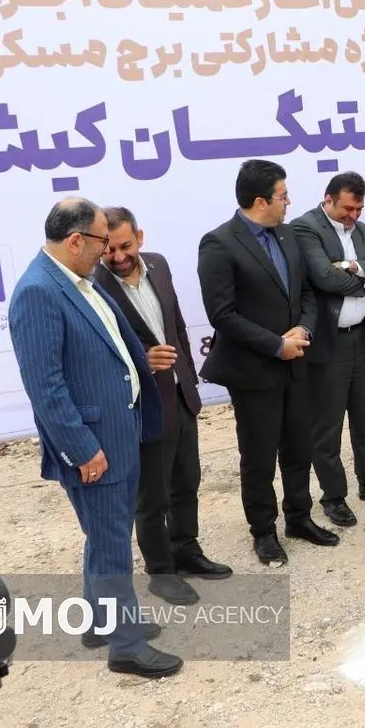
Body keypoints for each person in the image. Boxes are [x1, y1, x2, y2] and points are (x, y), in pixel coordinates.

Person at [9, 198, 181, 677]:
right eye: (103, 241)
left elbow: (106, 351)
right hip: (94, 443)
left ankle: (100, 619)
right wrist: (82, 447)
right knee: (111, 542)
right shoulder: (38, 291)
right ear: (76, 241)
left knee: (106, 533)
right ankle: (126, 646)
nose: (109, 251)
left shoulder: (77, 283)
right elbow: (44, 385)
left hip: (118, 432)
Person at [198, 159, 339, 566]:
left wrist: (304, 332)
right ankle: (264, 532)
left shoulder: (288, 236)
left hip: (297, 364)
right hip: (255, 371)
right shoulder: (219, 244)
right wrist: (276, 345)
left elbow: (308, 293)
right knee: (259, 459)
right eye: (283, 195)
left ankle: (299, 518)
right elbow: (222, 315)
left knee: (298, 449)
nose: (288, 202)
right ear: (261, 201)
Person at [94, 206, 232, 607]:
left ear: (140, 236)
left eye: (124, 246)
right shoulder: (96, 286)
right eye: (108, 249)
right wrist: (142, 359)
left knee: (187, 480)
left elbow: (177, 326)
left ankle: (186, 549)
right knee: (151, 496)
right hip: (142, 407)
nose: (117, 256)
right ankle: (161, 571)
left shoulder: (159, 264)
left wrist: (189, 377)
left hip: (180, 397)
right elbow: (101, 353)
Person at [291, 171, 365, 527]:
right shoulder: (306, 228)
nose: (353, 216)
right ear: (328, 200)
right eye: (346, 208)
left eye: (358, 209)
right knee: (327, 424)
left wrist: (355, 266)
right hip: (328, 341)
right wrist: (362, 276)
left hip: (361, 338)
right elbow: (322, 277)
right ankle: (334, 496)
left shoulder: (358, 230)